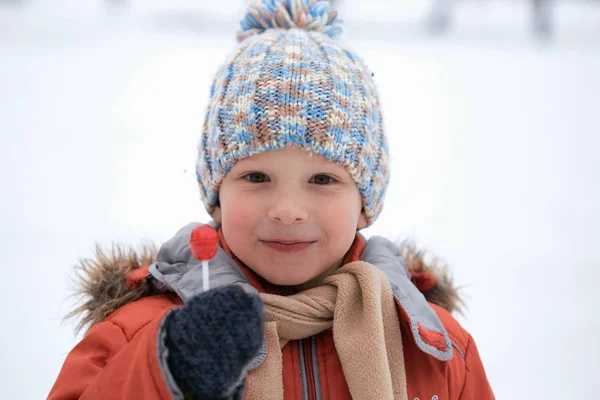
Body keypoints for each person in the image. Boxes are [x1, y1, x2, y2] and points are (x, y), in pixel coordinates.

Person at [48, 1, 494, 399]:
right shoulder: (143, 334)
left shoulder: (433, 344)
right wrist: (167, 372)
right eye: (256, 176)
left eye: (322, 178)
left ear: (364, 202)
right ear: (216, 196)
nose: (287, 210)